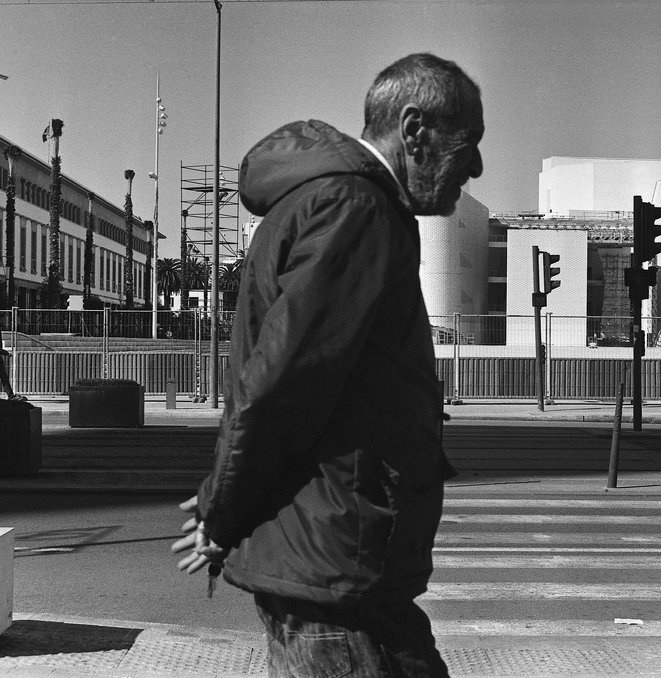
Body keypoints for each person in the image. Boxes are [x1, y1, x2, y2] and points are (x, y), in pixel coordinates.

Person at [172, 52, 484, 677]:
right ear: (414, 130)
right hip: (336, 579)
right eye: (467, 142)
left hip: (349, 573)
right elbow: (283, 383)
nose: (473, 165)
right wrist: (220, 512)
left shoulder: (347, 205)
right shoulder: (356, 209)